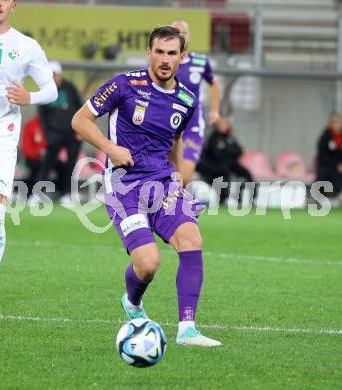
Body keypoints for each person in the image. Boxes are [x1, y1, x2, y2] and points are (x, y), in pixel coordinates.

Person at [72, 25, 221, 347]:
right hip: (124, 187)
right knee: (149, 264)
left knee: (191, 239)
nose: (165, 59)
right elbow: (80, 120)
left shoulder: (186, 99)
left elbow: (176, 139)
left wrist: (179, 178)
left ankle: (188, 330)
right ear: (149, 53)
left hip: (164, 185)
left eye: (172, 53)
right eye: (160, 52)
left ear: (183, 57)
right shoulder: (124, 85)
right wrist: (110, 149)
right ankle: (133, 302)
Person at [0, 0, 57, 285]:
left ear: (14, 5)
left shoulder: (26, 46)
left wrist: (29, 97)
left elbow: (51, 89)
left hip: (1, 134)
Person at [171, 20, 220, 186]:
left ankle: (173, 206)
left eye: (183, 32)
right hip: (166, 124)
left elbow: (213, 83)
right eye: (176, 31)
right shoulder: (162, 61)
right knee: (166, 175)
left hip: (192, 125)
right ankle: (163, 208)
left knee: (185, 177)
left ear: (189, 36)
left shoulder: (200, 62)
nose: (180, 35)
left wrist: (215, 110)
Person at [29, 61, 82, 208]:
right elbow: (42, 116)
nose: (54, 78)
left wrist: (80, 130)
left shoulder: (70, 88)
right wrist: (48, 135)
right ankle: (36, 194)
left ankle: (66, 195)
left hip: (72, 134)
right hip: (54, 134)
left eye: (56, 75)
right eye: (51, 75)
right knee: (46, 165)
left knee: (71, 165)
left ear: (60, 75)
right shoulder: (45, 90)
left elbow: (81, 108)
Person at [197, 116, 254, 204]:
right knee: (224, 172)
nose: (226, 125)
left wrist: (226, 150)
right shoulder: (214, 138)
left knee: (246, 173)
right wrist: (229, 151)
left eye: (226, 123)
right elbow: (217, 155)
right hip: (213, 165)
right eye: (223, 124)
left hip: (230, 163)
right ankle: (223, 198)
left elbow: (239, 150)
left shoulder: (229, 137)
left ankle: (251, 197)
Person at [317, 112, 342, 198]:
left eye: (337, 121)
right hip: (328, 166)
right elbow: (323, 156)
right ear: (330, 123)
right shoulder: (325, 137)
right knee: (324, 174)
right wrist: (336, 165)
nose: (335, 124)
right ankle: (324, 197)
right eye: (333, 122)